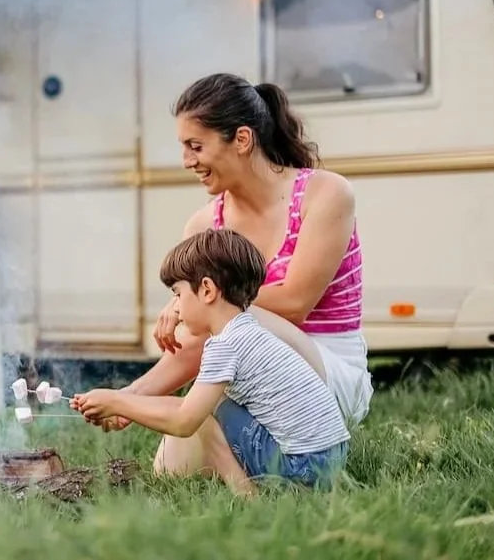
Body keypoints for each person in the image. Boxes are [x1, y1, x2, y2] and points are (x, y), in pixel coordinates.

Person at [102, 73, 372, 475]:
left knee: (223, 313)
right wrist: (127, 399)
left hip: (325, 371)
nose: (187, 160)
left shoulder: (325, 194)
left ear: (242, 140)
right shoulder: (203, 226)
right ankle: (249, 477)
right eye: (184, 148)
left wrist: (195, 302)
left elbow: (295, 305)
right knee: (170, 471)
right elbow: (198, 338)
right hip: (252, 368)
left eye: (196, 146)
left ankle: (266, 465)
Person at [74, 229, 351, 496]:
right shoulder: (248, 331)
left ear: (207, 290)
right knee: (214, 405)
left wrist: (117, 402)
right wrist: (125, 404)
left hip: (303, 469)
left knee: (204, 419)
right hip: (329, 461)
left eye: (177, 294)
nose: (176, 307)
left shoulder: (226, 345)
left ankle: (247, 497)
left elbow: (184, 420)